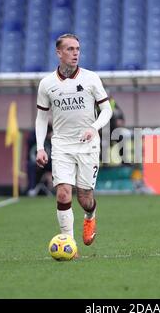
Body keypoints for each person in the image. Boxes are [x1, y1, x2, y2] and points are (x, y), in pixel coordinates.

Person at [35, 34, 113, 253]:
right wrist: (41, 147)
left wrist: (93, 128)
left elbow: (107, 110)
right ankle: (69, 243)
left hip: (88, 145)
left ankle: (90, 215)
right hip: (61, 145)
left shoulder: (91, 78)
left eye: (77, 48)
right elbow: (41, 117)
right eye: (70, 49)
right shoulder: (47, 84)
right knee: (62, 193)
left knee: (85, 198)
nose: (75, 53)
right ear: (59, 53)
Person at [26, 123, 53, 196]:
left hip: (48, 162)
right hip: (34, 161)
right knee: (30, 165)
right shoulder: (34, 137)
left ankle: (54, 188)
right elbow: (29, 142)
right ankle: (31, 188)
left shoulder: (51, 140)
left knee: (56, 165)